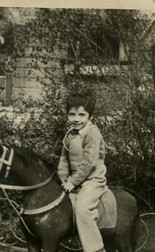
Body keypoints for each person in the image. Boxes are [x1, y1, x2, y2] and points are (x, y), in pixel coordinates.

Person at [58, 92, 108, 252]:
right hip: (75, 180)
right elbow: (64, 158)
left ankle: (95, 249)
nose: (76, 118)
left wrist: (72, 182)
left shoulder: (91, 133)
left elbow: (89, 162)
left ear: (90, 115)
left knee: (82, 209)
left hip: (92, 181)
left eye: (81, 114)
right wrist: (63, 178)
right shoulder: (70, 134)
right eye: (72, 114)